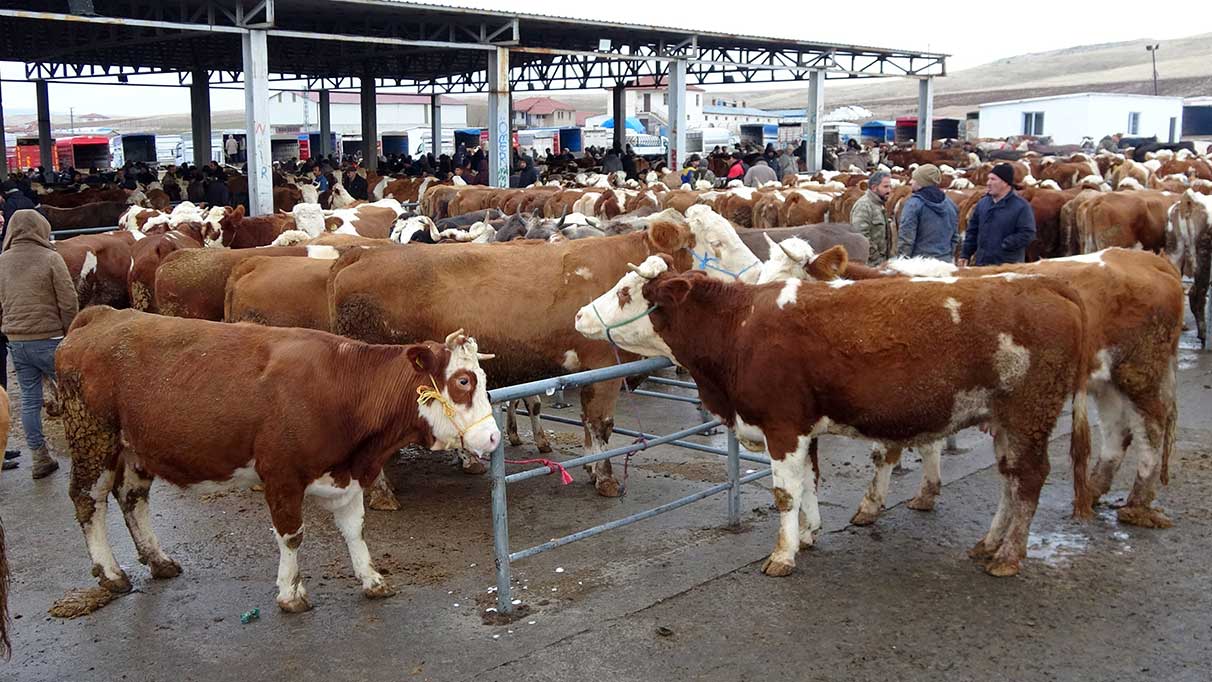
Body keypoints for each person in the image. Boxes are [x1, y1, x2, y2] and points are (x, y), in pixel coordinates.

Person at [0, 210, 78, 478]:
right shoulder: (51, 258)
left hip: (17, 343)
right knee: (74, 396)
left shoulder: (2, 261)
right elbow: (68, 300)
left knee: (30, 401)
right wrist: (72, 332)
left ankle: (40, 457)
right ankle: (82, 451)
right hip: (51, 339)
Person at [960, 163, 1036, 267]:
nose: (988, 183)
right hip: (982, 264)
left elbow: (1028, 234)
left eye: (993, 179)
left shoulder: (1021, 206)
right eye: (988, 179)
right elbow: (972, 232)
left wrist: (1005, 244)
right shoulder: (982, 204)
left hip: (1007, 267)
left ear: (1005, 182)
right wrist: (965, 254)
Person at [898, 164, 958, 261]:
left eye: (914, 179)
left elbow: (906, 238)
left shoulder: (913, 204)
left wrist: (903, 260)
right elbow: (955, 237)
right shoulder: (950, 204)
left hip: (920, 263)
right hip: (944, 263)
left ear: (922, 182)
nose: (911, 182)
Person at [849, 171, 893, 265]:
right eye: (885, 187)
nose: (889, 190)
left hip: (880, 263)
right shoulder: (864, 206)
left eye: (890, 186)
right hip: (869, 264)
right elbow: (861, 237)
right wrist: (876, 258)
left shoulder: (879, 204)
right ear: (874, 188)